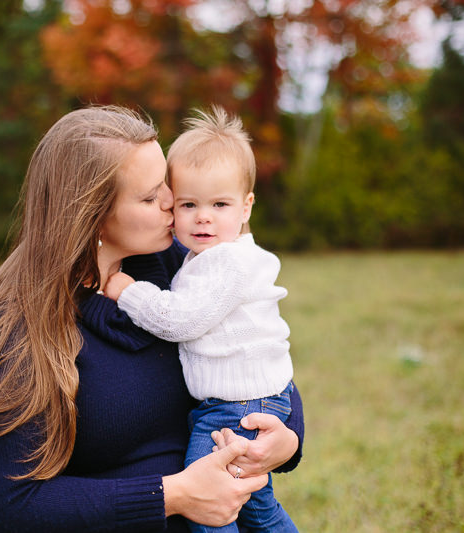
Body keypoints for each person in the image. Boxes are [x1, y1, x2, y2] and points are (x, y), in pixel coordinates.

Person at [0, 105, 304, 533]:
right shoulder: (14, 328)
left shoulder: (179, 262)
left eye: (168, 186)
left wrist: (286, 439)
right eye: (152, 195)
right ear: (92, 215)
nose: (175, 203)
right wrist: (175, 495)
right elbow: (12, 506)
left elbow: (252, 353)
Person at [104, 106, 298, 533]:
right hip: (245, 402)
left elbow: (182, 321)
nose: (203, 216)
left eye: (219, 204)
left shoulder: (228, 262)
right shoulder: (204, 258)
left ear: (247, 207)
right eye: (188, 203)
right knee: (257, 509)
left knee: (209, 506)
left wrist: (126, 291)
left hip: (235, 410)